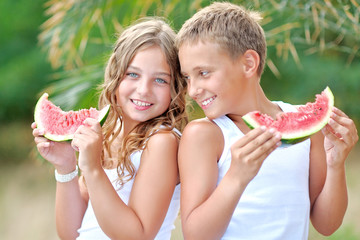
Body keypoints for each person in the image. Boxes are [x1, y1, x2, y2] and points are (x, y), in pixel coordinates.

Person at [176, 2, 359, 240]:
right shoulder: (205, 135)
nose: (193, 91)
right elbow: (195, 235)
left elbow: (327, 225)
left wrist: (336, 164)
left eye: (204, 73)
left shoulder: (308, 131)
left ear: (248, 63)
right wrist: (237, 176)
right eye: (187, 77)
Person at [32, 17, 187, 240]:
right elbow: (71, 233)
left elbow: (138, 235)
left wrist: (94, 169)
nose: (143, 90)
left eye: (160, 80)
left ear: (175, 88)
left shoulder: (162, 141)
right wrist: (66, 166)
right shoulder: (109, 131)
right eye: (132, 74)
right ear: (116, 74)